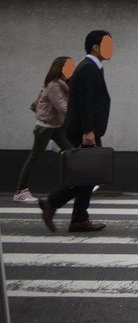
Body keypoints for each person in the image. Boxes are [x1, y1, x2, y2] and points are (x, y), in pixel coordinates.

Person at [39, 30, 113, 234]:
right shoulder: (88, 68)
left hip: (85, 129)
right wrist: (88, 131)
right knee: (88, 174)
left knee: (89, 175)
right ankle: (55, 205)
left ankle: (77, 217)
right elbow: (85, 102)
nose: (111, 49)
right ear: (95, 47)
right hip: (84, 131)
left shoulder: (93, 67)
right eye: (107, 44)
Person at [13, 56, 75, 204]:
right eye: (69, 67)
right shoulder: (54, 85)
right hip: (45, 127)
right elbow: (62, 107)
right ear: (60, 69)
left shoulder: (63, 84)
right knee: (34, 158)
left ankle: (81, 184)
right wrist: (79, 115)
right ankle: (20, 191)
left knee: (71, 152)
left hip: (56, 126)